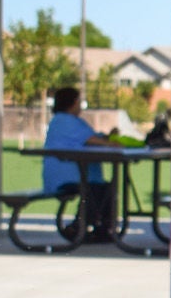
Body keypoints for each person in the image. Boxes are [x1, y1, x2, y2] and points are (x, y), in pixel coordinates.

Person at [41, 85, 115, 241]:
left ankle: (101, 229)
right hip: (67, 178)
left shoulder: (71, 121)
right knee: (96, 190)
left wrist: (106, 138)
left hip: (79, 175)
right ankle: (78, 228)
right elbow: (91, 140)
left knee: (105, 188)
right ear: (74, 102)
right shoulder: (64, 121)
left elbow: (91, 137)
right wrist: (113, 143)